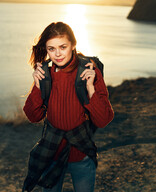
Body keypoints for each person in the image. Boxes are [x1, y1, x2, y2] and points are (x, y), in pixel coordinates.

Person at [23, 22, 114, 192]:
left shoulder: (89, 70)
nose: (57, 54)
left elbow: (103, 120)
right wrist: (37, 86)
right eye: (51, 49)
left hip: (81, 155)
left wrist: (91, 88)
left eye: (62, 47)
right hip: (51, 154)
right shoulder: (45, 74)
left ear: (73, 45)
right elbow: (33, 116)